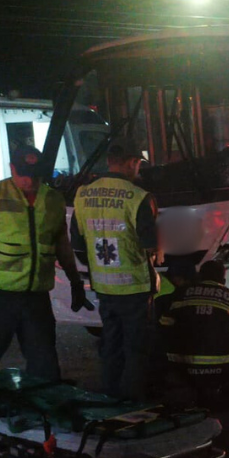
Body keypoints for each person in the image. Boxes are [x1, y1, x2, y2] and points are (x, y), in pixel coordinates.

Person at [0, 146, 88, 380]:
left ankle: (43, 399)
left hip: (36, 297)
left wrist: (75, 282)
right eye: (23, 174)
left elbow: (61, 243)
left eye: (35, 175)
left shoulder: (53, 199)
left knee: (44, 364)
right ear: (12, 168)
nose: (29, 181)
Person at [72, 137, 159, 401]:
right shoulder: (139, 197)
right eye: (138, 164)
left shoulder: (83, 194)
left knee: (111, 342)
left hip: (103, 285)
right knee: (136, 347)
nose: (138, 169)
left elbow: (78, 244)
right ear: (132, 162)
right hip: (134, 286)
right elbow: (150, 246)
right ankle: (133, 402)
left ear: (109, 161)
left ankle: (110, 396)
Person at [159, 260, 229, 392]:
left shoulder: (180, 294)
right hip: (223, 365)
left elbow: (164, 327)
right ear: (223, 280)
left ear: (199, 276)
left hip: (182, 366)